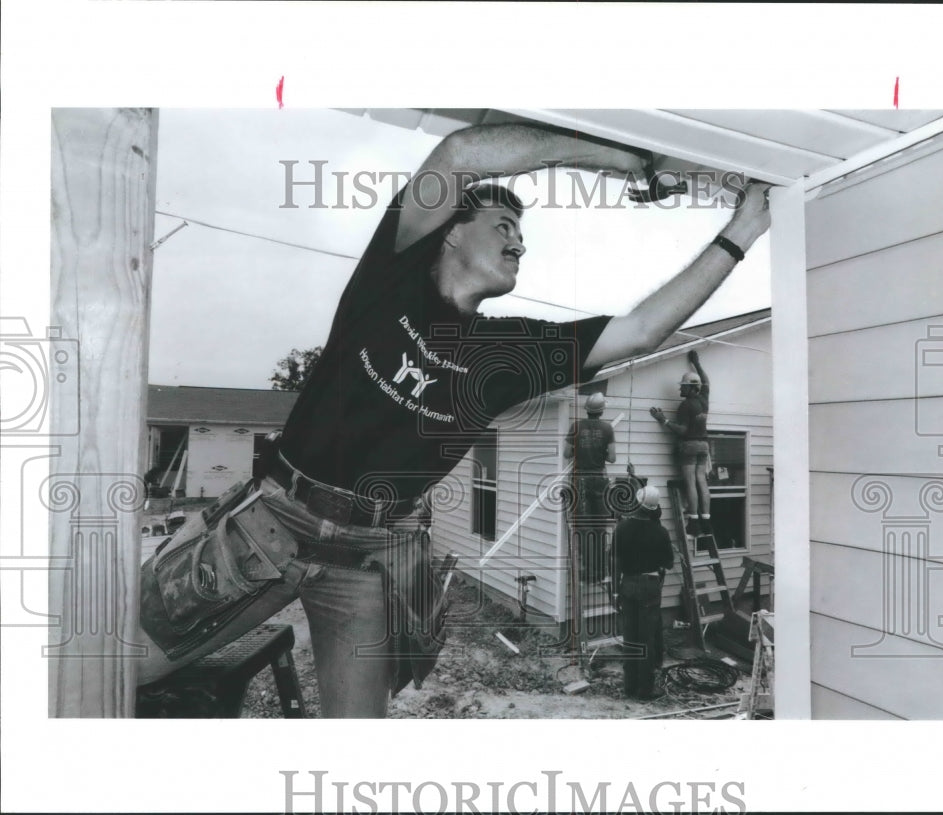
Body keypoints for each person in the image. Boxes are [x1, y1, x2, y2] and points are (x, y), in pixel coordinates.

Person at [137, 121, 771, 717]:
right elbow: (461, 154)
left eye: (521, 235)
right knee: (112, 662)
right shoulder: (393, 275)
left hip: (369, 559)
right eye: (502, 225)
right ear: (449, 231)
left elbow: (641, 331)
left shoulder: (510, 355)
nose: (519, 242)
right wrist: (623, 159)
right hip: (273, 523)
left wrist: (740, 232)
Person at [612, 484, 674, 700]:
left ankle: (629, 687)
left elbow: (616, 564)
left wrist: (615, 593)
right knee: (646, 638)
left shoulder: (621, 528)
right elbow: (669, 563)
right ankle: (645, 690)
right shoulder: (661, 532)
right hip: (649, 586)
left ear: (637, 503)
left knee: (629, 637)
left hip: (627, 585)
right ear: (654, 508)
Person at [650, 349, 712, 536]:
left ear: (692, 388)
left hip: (690, 445)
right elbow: (706, 381)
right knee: (702, 481)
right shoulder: (704, 399)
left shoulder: (685, 405)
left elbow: (683, 430)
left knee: (691, 482)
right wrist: (696, 363)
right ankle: (707, 521)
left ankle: (693, 521)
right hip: (704, 446)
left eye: (683, 386)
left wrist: (664, 420)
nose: (680, 389)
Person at [563, 392, 616, 582]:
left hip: (581, 479)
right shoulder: (608, 428)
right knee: (600, 526)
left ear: (587, 410)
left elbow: (567, 453)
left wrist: (582, 449)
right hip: (600, 478)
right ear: (601, 411)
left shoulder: (576, 426)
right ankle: (601, 572)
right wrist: (599, 449)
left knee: (584, 527)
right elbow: (612, 457)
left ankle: (589, 572)